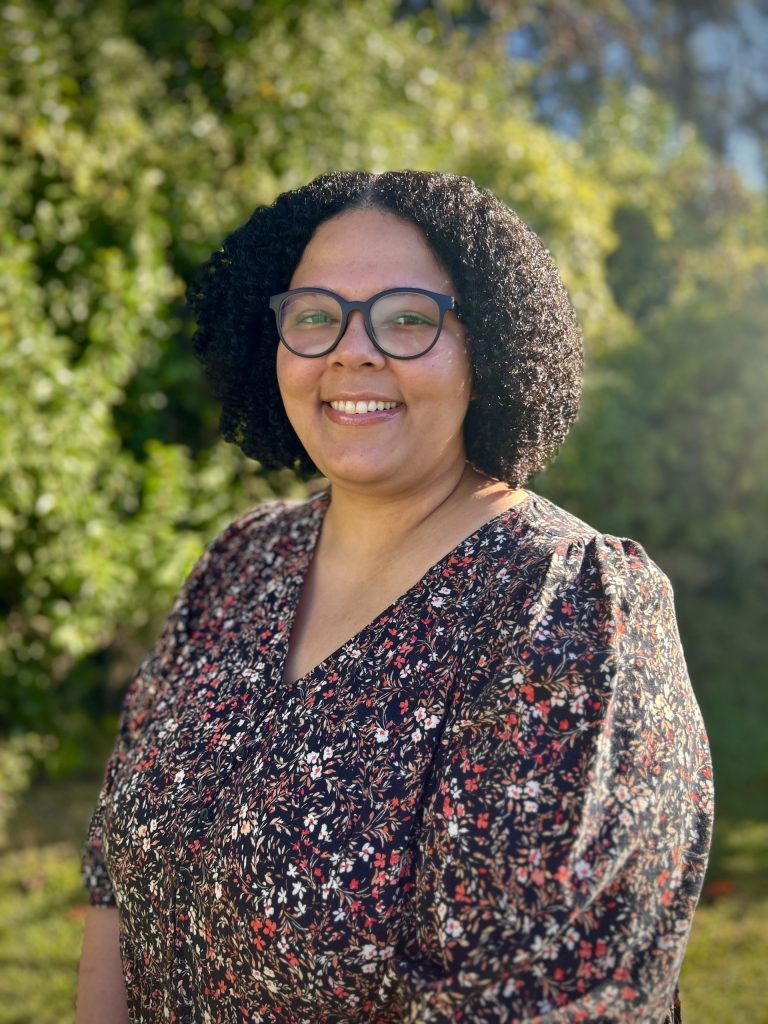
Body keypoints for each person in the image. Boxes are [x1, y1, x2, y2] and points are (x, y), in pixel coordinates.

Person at [77, 171, 713, 1024]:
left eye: (407, 317)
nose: (352, 350)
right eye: (314, 315)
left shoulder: (568, 606)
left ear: (486, 351)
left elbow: (543, 999)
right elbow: (114, 877)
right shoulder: (242, 561)